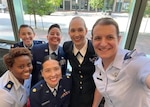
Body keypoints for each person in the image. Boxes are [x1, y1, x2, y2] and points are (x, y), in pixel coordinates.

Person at [91, 17, 150, 107]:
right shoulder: (99, 62)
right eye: (98, 38)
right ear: (92, 41)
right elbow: (103, 83)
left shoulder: (134, 63)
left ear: (118, 40)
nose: (103, 43)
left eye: (109, 37)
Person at [63, 16, 97, 107]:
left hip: (91, 94)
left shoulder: (95, 48)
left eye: (80, 30)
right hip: (73, 95)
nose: (76, 34)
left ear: (86, 31)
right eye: (73, 30)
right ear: (69, 32)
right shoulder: (66, 47)